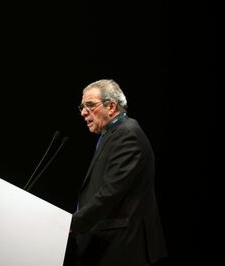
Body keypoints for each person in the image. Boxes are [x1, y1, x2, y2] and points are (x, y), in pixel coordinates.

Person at [69, 79, 168, 266]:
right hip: (111, 244)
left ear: (111, 106)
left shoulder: (127, 134)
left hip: (123, 247)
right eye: (82, 107)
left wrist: (71, 224)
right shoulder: (113, 134)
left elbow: (110, 193)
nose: (83, 112)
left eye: (90, 105)